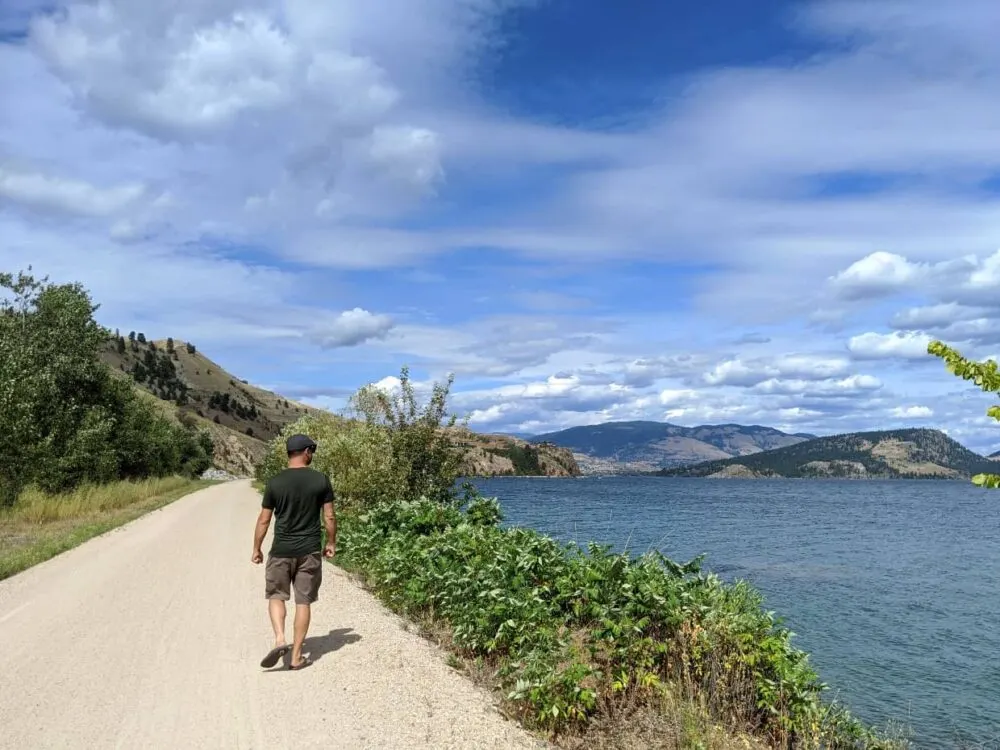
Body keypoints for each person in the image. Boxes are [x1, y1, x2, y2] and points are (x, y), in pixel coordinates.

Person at [252, 433, 337, 671]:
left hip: (280, 550)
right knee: (303, 602)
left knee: (276, 596)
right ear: (306, 452)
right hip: (308, 551)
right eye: (313, 450)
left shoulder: (275, 482)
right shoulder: (320, 480)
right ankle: (297, 656)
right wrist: (330, 543)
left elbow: (263, 520)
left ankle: (280, 639)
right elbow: (329, 516)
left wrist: (256, 548)